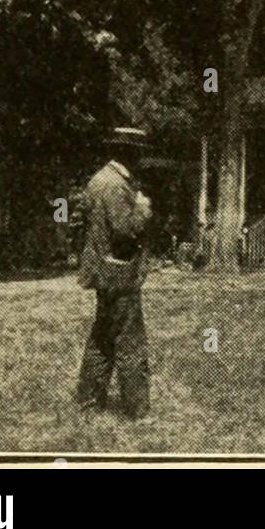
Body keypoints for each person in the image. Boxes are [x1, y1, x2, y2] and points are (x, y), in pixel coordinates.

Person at [75, 127, 154, 419]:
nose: (142, 158)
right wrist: (144, 208)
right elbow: (125, 230)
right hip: (119, 272)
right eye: (139, 152)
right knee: (130, 340)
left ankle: (89, 401)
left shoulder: (98, 180)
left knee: (102, 338)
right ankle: (137, 410)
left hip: (102, 269)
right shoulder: (117, 185)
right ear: (129, 152)